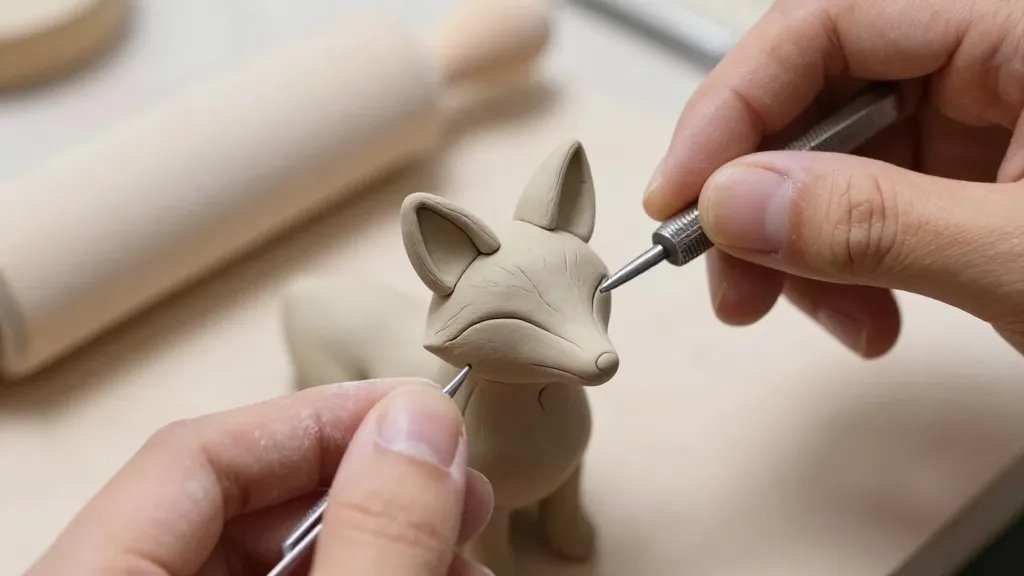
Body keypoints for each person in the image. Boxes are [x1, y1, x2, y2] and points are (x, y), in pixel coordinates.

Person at [27, 0, 1024, 574]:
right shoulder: (447, 404)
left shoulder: (569, 397)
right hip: (371, 372)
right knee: (475, 491)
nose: (592, 345)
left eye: (585, 305)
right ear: (448, 291)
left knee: (558, 465)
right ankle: (508, 540)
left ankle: (556, 523)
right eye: (540, 321)